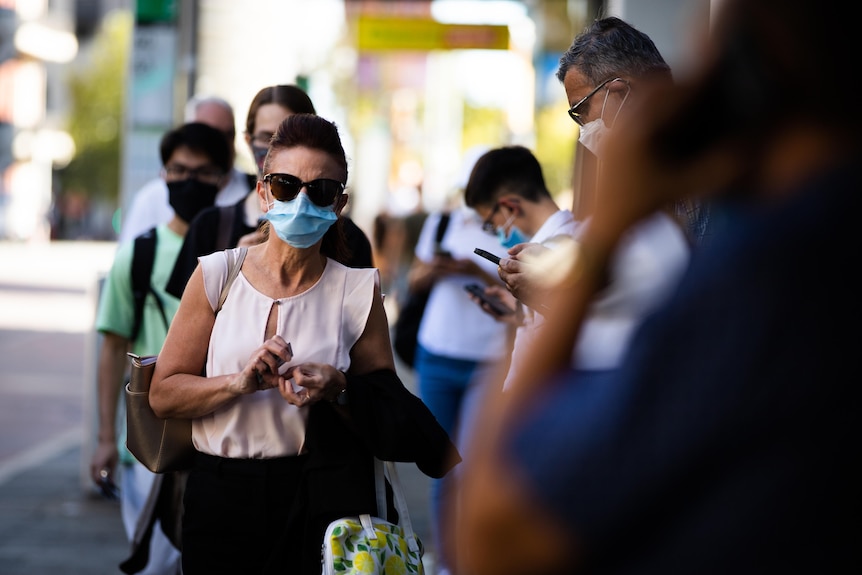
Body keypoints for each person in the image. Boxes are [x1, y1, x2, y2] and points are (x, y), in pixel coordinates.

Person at [454, 0, 862, 573]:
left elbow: (495, 529)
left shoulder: (762, 256)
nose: (583, 133)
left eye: (581, 114)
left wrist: (598, 248)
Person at [149, 113, 459, 575]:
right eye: (285, 184)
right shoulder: (216, 274)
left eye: (321, 190)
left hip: (317, 497)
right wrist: (237, 383)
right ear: (262, 192)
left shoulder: (356, 290)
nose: (301, 201)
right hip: (219, 493)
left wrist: (339, 386)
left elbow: (387, 402)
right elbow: (163, 394)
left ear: (340, 204)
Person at [90, 122, 234, 575]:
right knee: (155, 563)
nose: (189, 181)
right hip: (150, 436)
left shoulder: (239, 252)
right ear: (162, 174)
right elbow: (113, 348)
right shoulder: (139, 255)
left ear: (224, 178)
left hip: (222, 426)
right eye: (178, 170)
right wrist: (104, 440)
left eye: (203, 172)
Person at [165, 84, 373, 299]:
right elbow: (189, 321)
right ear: (248, 140)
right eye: (267, 137)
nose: (277, 146)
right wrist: (231, 272)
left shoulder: (349, 238)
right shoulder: (210, 227)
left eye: (288, 134)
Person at [405, 197, 512, 575]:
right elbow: (414, 280)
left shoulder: (509, 225)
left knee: (475, 465)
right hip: (437, 353)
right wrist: (436, 269)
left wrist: (477, 270)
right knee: (444, 464)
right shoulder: (443, 220)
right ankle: (446, 560)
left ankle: (473, 556)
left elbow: (521, 288)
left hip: (490, 358)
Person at [118, 95, 251, 243]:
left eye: (228, 134)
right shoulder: (152, 199)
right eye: (208, 133)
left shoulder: (253, 192)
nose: (220, 143)